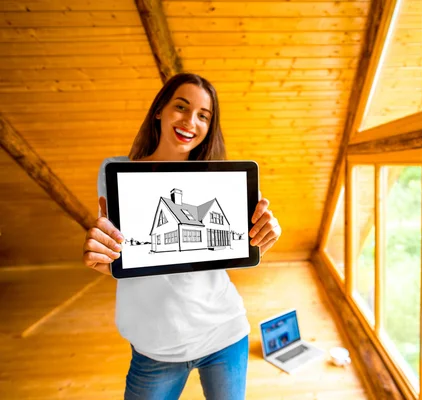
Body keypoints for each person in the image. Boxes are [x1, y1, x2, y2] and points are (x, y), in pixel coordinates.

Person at [82, 73, 282, 400]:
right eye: (182, 107)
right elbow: (121, 252)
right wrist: (106, 259)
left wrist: (270, 230)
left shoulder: (223, 183)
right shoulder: (116, 172)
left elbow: (255, 233)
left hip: (225, 332)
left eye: (204, 116)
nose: (191, 121)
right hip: (155, 348)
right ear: (159, 110)